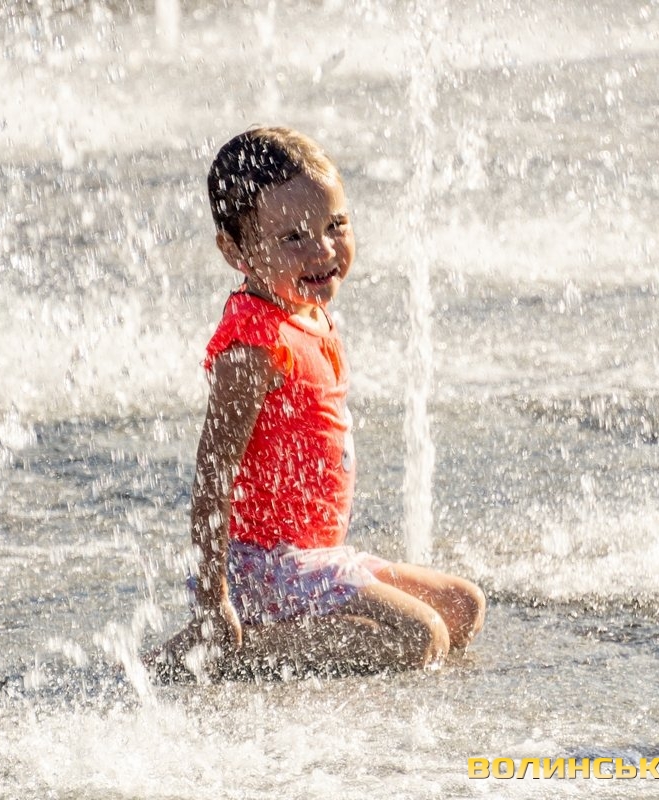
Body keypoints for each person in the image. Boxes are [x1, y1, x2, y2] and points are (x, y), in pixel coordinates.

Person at [149, 126, 485, 681]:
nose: (323, 250)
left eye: (336, 225)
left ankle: (273, 641)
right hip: (266, 568)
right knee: (420, 637)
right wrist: (213, 599)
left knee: (462, 607)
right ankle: (217, 656)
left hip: (313, 561)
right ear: (235, 251)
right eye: (293, 237)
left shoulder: (304, 310)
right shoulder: (253, 347)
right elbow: (213, 473)